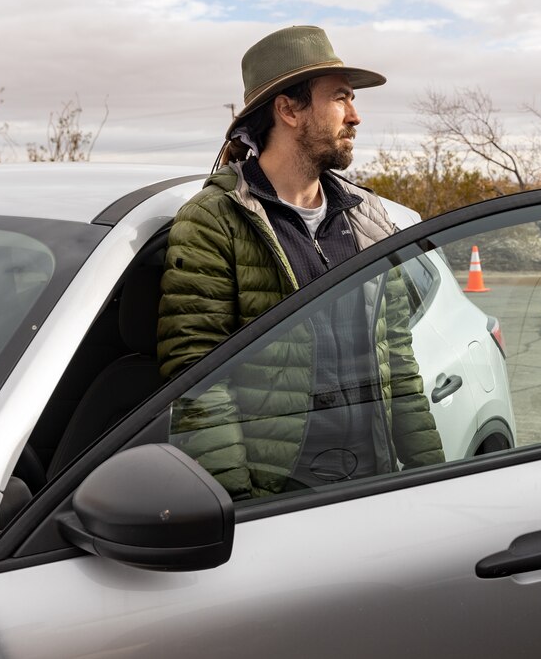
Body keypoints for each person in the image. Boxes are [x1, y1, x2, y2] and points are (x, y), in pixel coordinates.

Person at [157, 25, 444, 500]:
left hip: (375, 482)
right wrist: (241, 504)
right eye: (340, 99)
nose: (355, 116)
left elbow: (398, 361)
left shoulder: (369, 217)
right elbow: (199, 379)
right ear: (288, 109)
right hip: (282, 494)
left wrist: (432, 478)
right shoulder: (215, 221)